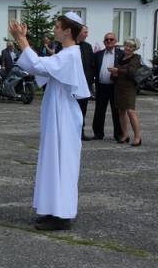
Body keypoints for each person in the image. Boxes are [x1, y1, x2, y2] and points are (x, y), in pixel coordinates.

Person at [8, 12, 90, 231]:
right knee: (53, 160)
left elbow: (38, 66)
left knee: (61, 162)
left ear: (68, 31)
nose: (54, 29)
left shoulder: (70, 54)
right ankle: (52, 209)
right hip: (58, 113)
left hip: (63, 116)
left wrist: (21, 40)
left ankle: (62, 215)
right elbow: (42, 66)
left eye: (57, 26)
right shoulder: (66, 53)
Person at [108, 38, 143, 146]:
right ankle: (125, 135)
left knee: (130, 111)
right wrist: (113, 74)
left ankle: (137, 137)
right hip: (118, 87)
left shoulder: (136, 58)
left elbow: (131, 72)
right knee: (121, 111)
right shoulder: (121, 57)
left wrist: (117, 70)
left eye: (130, 46)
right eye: (126, 45)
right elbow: (116, 74)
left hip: (129, 88)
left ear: (134, 48)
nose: (127, 48)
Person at [91, 32, 123, 141]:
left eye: (111, 39)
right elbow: (93, 69)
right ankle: (98, 134)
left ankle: (119, 134)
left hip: (115, 87)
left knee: (116, 111)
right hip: (101, 86)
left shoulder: (121, 54)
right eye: (106, 39)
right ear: (104, 42)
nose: (109, 41)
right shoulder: (98, 54)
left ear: (115, 41)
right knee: (99, 111)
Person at [76, 24, 96, 141]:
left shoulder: (88, 47)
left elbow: (91, 64)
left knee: (82, 109)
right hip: (72, 85)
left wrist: (90, 80)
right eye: (85, 32)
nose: (87, 34)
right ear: (78, 32)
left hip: (85, 85)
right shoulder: (69, 46)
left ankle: (81, 132)